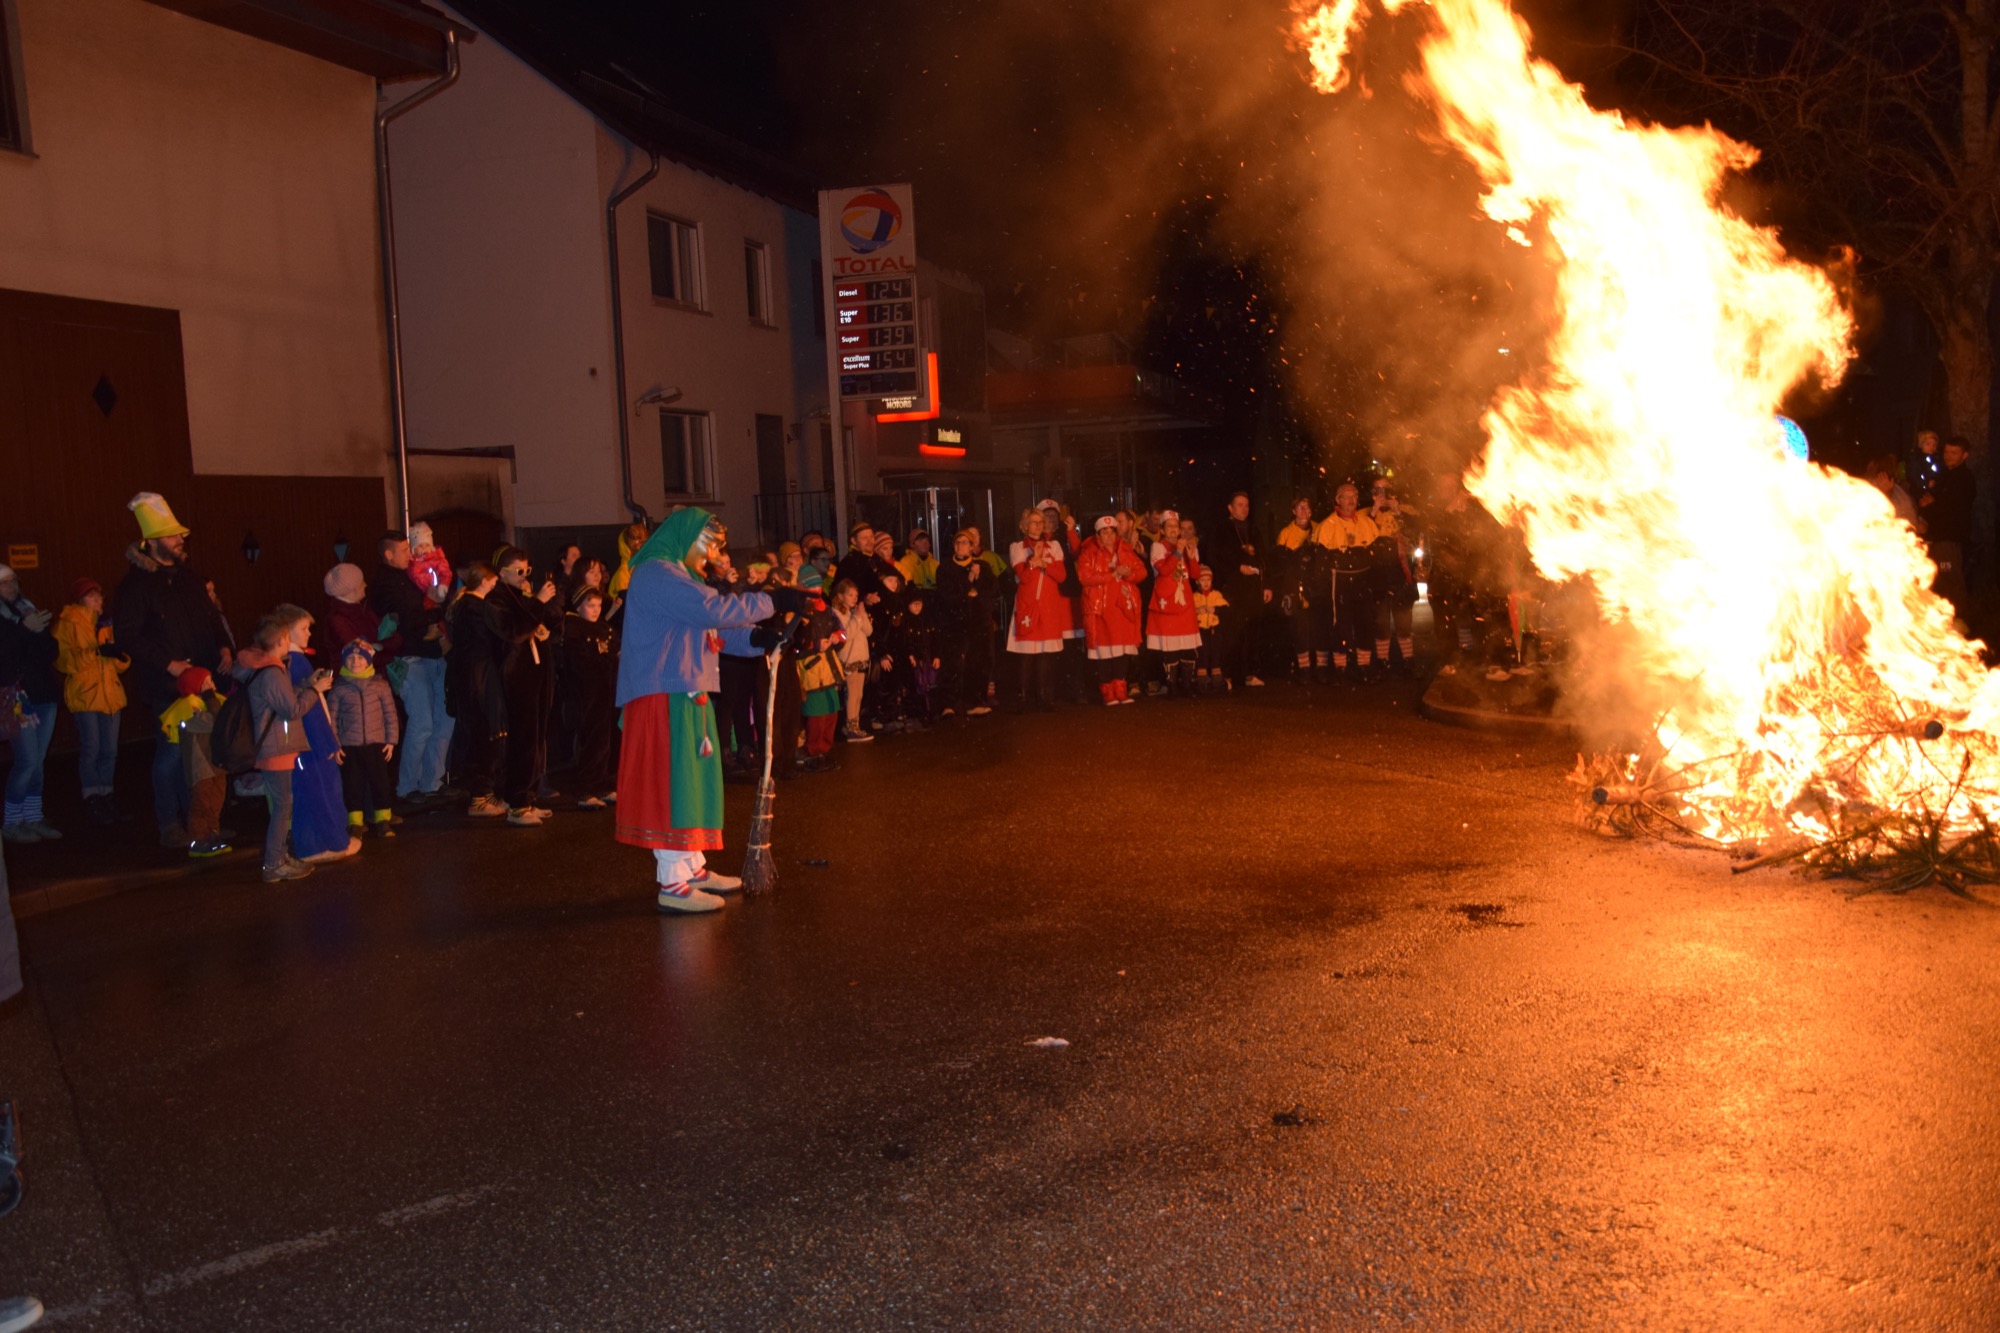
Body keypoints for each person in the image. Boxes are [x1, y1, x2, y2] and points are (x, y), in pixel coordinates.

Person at [613, 507, 799, 913]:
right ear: (686, 536)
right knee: (673, 786)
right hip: (663, 695)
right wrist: (769, 600)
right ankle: (672, 882)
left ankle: (692, 866)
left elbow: (714, 630)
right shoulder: (657, 573)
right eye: (709, 544)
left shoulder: (681, 578)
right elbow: (710, 611)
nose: (714, 554)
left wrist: (759, 639)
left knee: (692, 784)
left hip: (686, 691)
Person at [113, 493, 232, 848]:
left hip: (204, 681)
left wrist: (223, 644)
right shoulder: (135, 586)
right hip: (167, 687)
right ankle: (170, 825)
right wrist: (170, 663)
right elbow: (127, 636)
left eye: (179, 534)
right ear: (151, 543)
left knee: (203, 756)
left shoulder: (188, 577)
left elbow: (211, 616)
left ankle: (202, 826)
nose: (181, 540)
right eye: (172, 536)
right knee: (170, 755)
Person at [236, 606, 332, 883]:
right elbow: (291, 710)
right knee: (282, 807)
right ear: (279, 641)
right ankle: (273, 863)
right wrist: (315, 691)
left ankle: (278, 857)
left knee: (282, 805)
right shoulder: (271, 672)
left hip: (274, 745)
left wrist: (303, 684)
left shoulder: (264, 669)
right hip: (276, 747)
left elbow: (281, 700)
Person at [370, 533, 452, 802]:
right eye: (404, 549)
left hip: (432, 653)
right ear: (388, 555)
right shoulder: (385, 584)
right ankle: (407, 786)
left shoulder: (412, 575)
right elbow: (407, 616)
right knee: (422, 721)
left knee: (444, 719)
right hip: (409, 657)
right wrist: (433, 613)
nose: (410, 553)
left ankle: (432, 781)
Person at [276, 607, 359, 864]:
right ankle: (332, 843)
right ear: (286, 633)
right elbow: (308, 710)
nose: (309, 633)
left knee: (306, 793)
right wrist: (328, 742)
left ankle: (310, 845)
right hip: (311, 743)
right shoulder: (296, 661)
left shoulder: (289, 662)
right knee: (323, 792)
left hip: (301, 744)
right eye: (303, 628)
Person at [490, 548, 563, 827]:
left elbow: (536, 624)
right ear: (502, 573)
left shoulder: (520, 597)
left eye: (527, 571)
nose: (524, 577)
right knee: (523, 739)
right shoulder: (496, 600)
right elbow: (513, 631)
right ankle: (517, 802)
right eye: (518, 572)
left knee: (536, 738)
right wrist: (537, 604)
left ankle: (528, 796)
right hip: (515, 677)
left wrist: (541, 613)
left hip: (536, 674)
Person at [53, 577, 129, 826]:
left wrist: (120, 654)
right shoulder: (69, 623)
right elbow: (64, 662)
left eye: (100, 595)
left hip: (110, 694)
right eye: (92, 595)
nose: (99, 600)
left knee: (110, 750)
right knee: (92, 748)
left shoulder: (107, 624)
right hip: (86, 695)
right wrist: (97, 652)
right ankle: (92, 797)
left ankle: (107, 794)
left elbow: (120, 664)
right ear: (80, 599)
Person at [445, 562, 511, 818]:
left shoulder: (465, 607)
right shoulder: (476, 608)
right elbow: (498, 635)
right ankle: (479, 796)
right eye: (493, 581)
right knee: (487, 733)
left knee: (486, 733)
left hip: (475, 675)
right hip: (479, 677)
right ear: (484, 581)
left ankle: (486, 791)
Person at [0, 568, 59, 844]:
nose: (11, 586)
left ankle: (33, 816)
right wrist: (24, 630)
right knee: (26, 761)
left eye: (13, 581)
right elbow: (6, 656)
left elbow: (50, 651)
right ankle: (12, 822)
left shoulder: (28, 609)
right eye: (4, 583)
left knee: (38, 761)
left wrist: (40, 633)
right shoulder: (5, 620)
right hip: (18, 698)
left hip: (42, 693)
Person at [329, 640, 399, 840]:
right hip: (350, 745)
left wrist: (391, 740)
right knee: (353, 784)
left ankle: (382, 819)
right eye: (350, 658)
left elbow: (390, 714)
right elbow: (332, 719)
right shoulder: (339, 688)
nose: (355, 662)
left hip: (376, 744)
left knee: (380, 784)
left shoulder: (379, 685)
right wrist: (335, 745)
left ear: (368, 661)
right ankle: (355, 823)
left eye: (360, 658)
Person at [158, 667, 230, 858]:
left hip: (215, 764)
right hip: (201, 767)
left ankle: (212, 835)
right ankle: (198, 841)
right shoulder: (188, 707)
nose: (212, 686)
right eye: (207, 682)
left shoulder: (209, 702)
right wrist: (209, 697)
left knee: (216, 801)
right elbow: (217, 722)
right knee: (201, 804)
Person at [1077, 515, 1145, 705]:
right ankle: (1107, 692)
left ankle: (1121, 690)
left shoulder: (1125, 549)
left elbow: (1142, 572)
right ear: (1098, 535)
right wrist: (1112, 574)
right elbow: (1084, 576)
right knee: (1105, 649)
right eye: (1104, 532)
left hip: (1122, 607)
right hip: (1101, 608)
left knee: (1122, 648)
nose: (1108, 536)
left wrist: (1128, 574)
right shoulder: (1089, 552)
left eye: (1111, 531)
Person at [560, 587, 619, 808]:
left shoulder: (604, 627)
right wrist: (605, 658)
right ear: (578, 606)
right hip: (586, 694)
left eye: (598, 606)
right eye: (590, 605)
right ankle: (585, 788)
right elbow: (581, 662)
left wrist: (609, 657)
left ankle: (600, 783)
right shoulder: (574, 629)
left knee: (605, 740)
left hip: (606, 690)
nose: (595, 610)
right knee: (591, 740)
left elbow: (615, 649)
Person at [1316, 482, 1380, 678]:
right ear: (1338, 500)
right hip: (1340, 582)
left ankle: (1364, 667)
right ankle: (1340, 668)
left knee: (1365, 623)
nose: (1351, 500)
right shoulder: (1328, 525)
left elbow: (1376, 553)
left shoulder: (1366, 522)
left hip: (1363, 580)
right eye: (1346, 496)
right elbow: (1321, 560)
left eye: (1354, 496)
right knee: (1341, 624)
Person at [1008, 509, 1069, 709]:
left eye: (1040, 522)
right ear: (1024, 526)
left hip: (1049, 605)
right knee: (1026, 653)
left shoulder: (1054, 546)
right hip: (1028, 605)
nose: (1037, 526)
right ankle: (1023, 697)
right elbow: (1023, 578)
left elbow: (1061, 576)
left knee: (1045, 653)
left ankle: (1045, 697)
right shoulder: (1018, 547)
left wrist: (1043, 564)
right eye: (1033, 523)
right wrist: (1032, 563)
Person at [934, 529, 995, 717]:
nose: (961, 546)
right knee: (953, 663)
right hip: (954, 623)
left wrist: (976, 585)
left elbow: (992, 591)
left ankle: (975, 700)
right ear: (954, 546)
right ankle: (950, 703)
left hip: (977, 623)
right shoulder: (944, 568)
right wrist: (967, 583)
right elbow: (945, 596)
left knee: (977, 662)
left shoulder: (983, 566)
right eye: (958, 542)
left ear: (972, 547)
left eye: (966, 542)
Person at [1145, 511, 1204, 697]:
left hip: (1184, 602)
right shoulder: (1157, 547)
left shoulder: (1186, 545)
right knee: (1170, 647)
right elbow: (1163, 570)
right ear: (1162, 529)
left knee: (1187, 646)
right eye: (1169, 526)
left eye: (1175, 526)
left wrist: (1192, 554)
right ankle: (1172, 686)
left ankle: (1187, 684)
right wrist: (1178, 552)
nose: (1173, 530)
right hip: (1167, 602)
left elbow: (1195, 574)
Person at [1367, 479, 1421, 674]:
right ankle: (1383, 661)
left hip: (1401, 573)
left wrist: (1398, 512)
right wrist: (1374, 512)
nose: (1382, 493)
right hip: (1378, 574)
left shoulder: (1406, 510)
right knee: (1381, 622)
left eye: (1386, 489)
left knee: (1403, 621)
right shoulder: (1366, 513)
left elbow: (1415, 533)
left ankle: (1408, 661)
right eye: (1377, 489)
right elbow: (1363, 535)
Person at [1217, 492, 1269, 689]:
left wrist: (1267, 585)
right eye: (1239, 505)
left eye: (1246, 505)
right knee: (1232, 632)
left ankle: (1250, 673)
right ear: (1230, 508)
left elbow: (1263, 558)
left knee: (1252, 632)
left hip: (1252, 589)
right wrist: (1238, 567)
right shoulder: (1222, 530)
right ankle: (1228, 674)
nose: (1244, 509)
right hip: (1233, 589)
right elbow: (1217, 557)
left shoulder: (1254, 530)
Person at [1919, 436, 1976, 616]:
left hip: (1949, 542)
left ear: (1964, 455)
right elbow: (1931, 503)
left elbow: (1951, 508)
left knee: (1949, 579)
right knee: (1939, 582)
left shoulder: (1964, 479)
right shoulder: (1944, 476)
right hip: (1937, 539)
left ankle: (1960, 622)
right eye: (1946, 452)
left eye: (1954, 453)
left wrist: (1933, 505)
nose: (1949, 456)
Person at [829, 578, 876, 742]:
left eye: (856, 595)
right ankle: (851, 726)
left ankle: (853, 724)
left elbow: (869, 631)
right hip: (849, 659)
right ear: (840, 596)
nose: (854, 598)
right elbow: (846, 635)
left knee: (858, 694)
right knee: (852, 693)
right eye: (850, 595)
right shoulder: (837, 613)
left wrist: (861, 616)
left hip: (861, 658)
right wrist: (856, 619)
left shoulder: (853, 612)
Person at [1193, 567, 1229, 692]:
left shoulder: (1216, 595)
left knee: (1215, 652)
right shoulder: (1195, 597)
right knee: (1202, 653)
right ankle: (1202, 679)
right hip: (1201, 629)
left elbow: (1225, 608)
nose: (1206, 583)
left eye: (1208, 580)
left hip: (1214, 629)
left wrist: (1215, 610)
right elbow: (1190, 611)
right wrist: (1197, 611)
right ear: (1197, 582)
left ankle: (1216, 677)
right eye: (1202, 580)